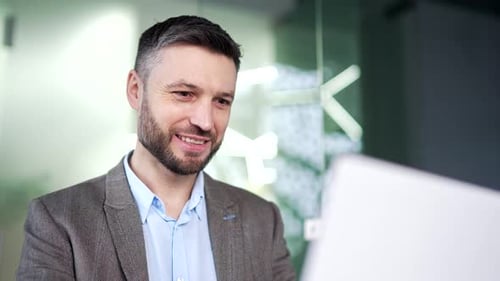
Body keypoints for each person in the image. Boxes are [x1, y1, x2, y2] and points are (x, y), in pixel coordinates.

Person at [16, 15, 296, 281]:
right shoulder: (59, 220)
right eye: (184, 94)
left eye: (221, 101)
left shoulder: (262, 220)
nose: (205, 121)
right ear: (136, 90)